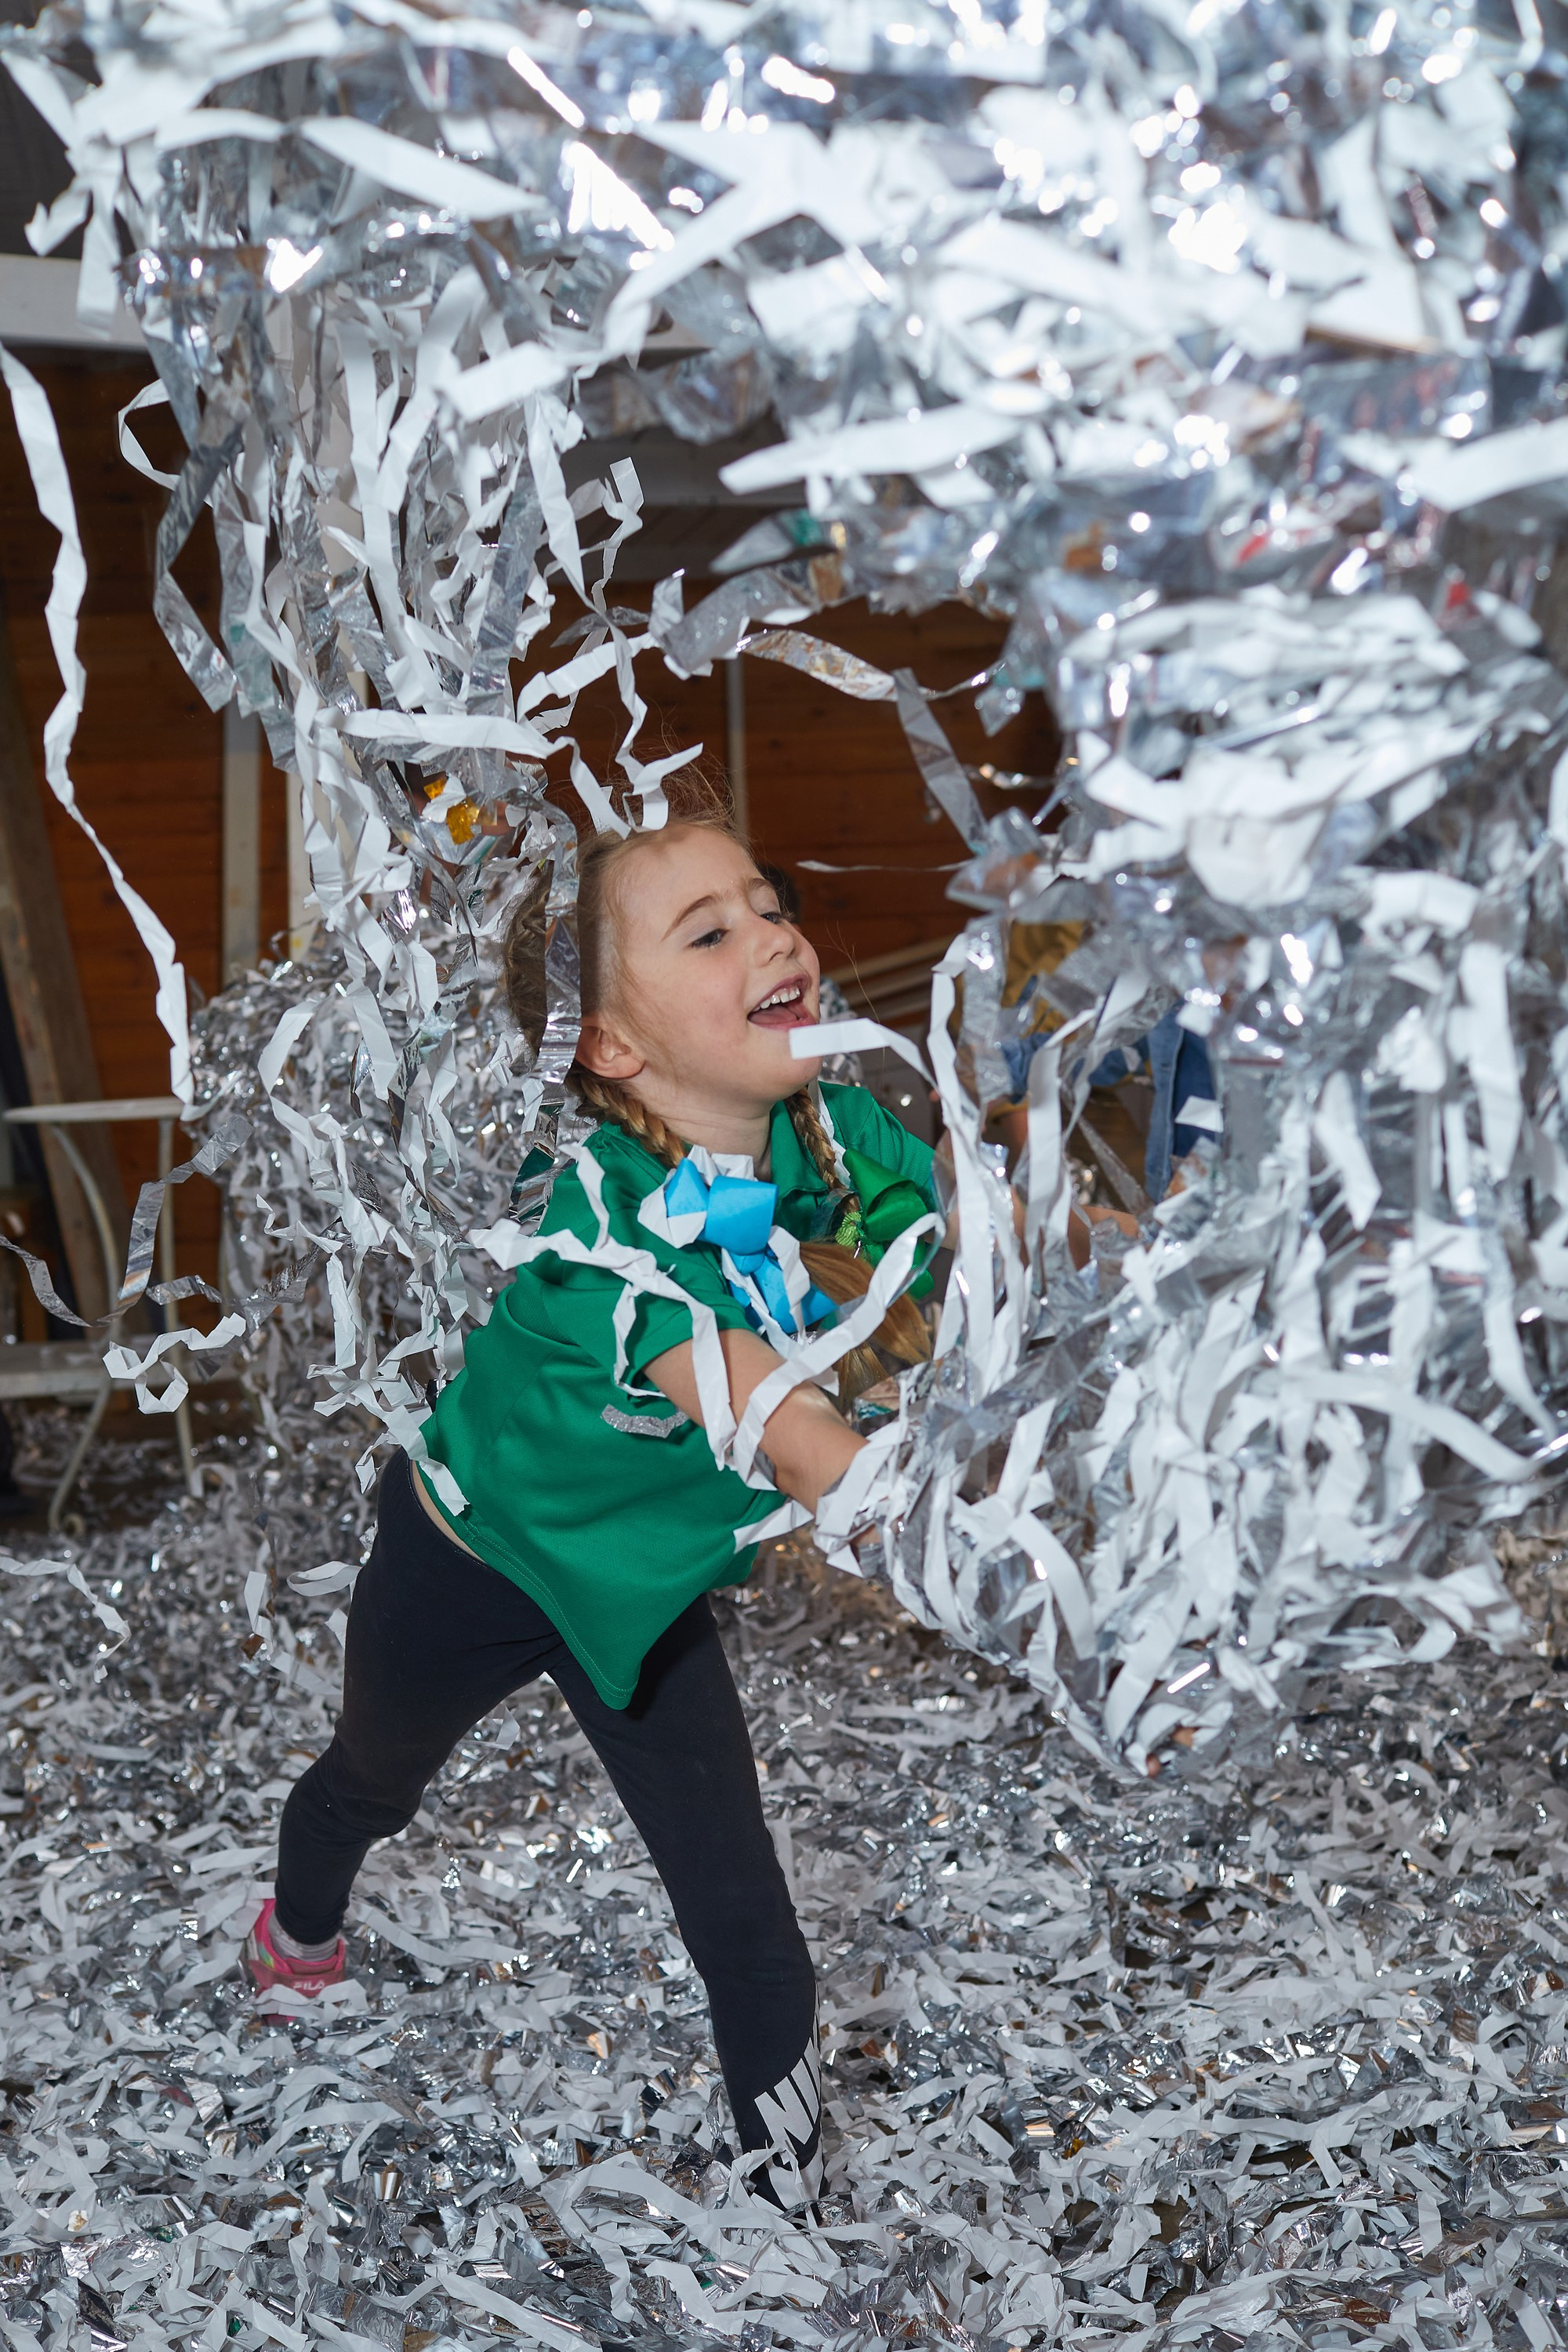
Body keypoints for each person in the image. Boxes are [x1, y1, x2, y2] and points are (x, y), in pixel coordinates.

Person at [242, 791, 942, 2210]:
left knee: (741, 1908)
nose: (771, 934)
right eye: (709, 930)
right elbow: (762, 1403)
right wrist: (876, 1485)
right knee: (369, 1783)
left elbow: (976, 1242)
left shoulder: (841, 1141)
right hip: (472, 1562)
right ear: (614, 1046)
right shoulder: (586, 1228)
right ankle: (295, 1930)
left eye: (767, 901)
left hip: (636, 1587)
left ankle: (785, 2209)